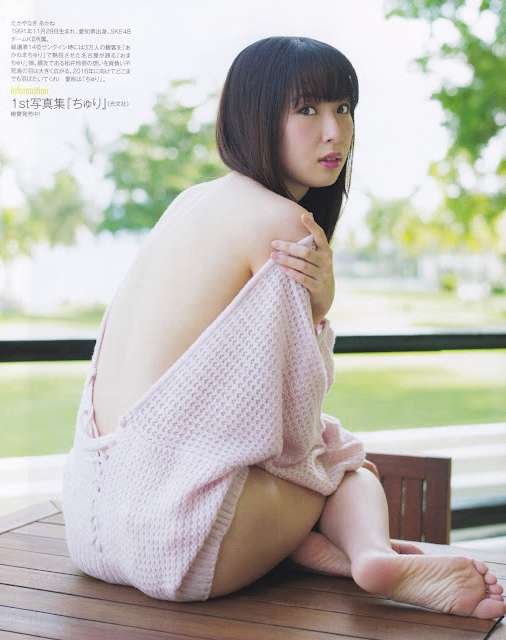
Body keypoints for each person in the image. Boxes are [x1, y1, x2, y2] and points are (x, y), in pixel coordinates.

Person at [62, 36, 505, 619]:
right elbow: (294, 425)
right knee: (338, 459)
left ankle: (325, 554)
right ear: (254, 117)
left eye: (343, 108)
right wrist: (323, 307)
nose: (334, 132)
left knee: (299, 460)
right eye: (307, 109)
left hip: (91, 522)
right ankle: (371, 555)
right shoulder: (286, 226)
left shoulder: (190, 203)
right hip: (181, 544)